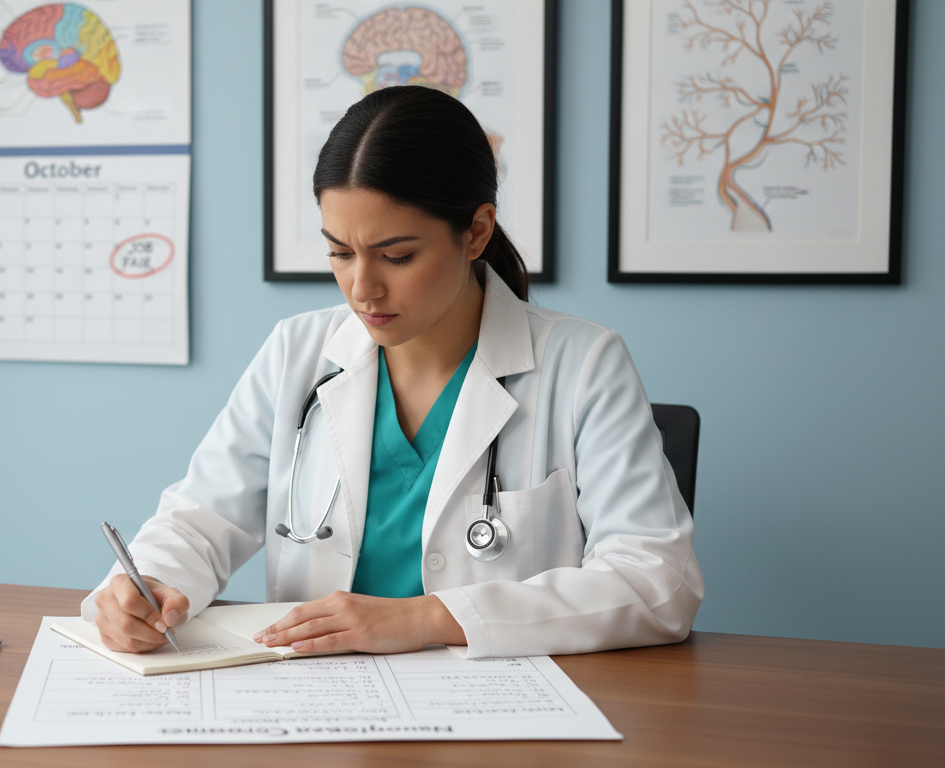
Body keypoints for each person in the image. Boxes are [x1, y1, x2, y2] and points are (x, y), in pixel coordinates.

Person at [83, 86, 703, 658]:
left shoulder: (583, 363)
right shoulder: (297, 351)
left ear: (476, 232)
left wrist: (430, 618)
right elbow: (202, 517)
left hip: (495, 713)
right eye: (339, 252)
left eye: (397, 256)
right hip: (319, 706)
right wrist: (149, 582)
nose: (362, 287)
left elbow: (656, 580)